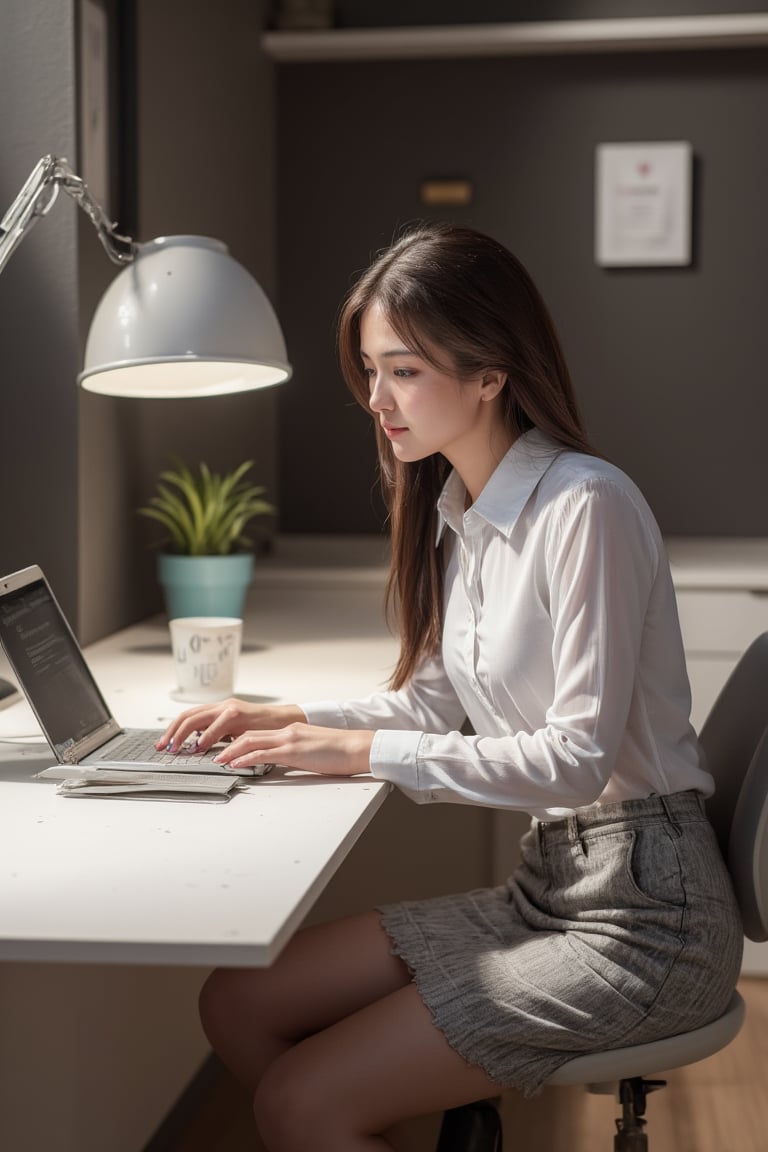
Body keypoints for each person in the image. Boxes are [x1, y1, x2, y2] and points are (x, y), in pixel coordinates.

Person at [159, 222, 742, 1151]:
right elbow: (434, 706)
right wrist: (295, 717)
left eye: (404, 370)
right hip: (547, 885)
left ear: (490, 374)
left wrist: (356, 750)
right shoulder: (459, 509)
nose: (377, 400)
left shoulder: (584, 506)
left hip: (647, 920)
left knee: (301, 1103)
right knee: (238, 1001)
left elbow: (574, 760)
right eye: (369, 370)